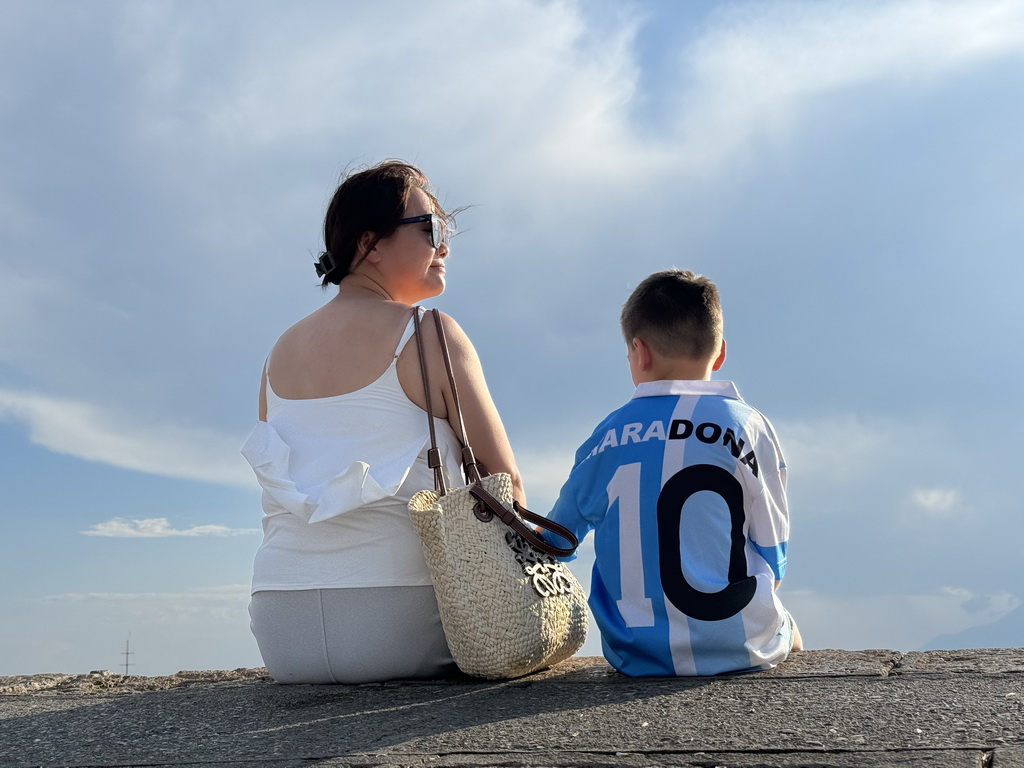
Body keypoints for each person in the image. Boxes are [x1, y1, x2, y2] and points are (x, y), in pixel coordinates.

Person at [241, 160, 523, 684]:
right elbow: (504, 483)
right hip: (400, 623)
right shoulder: (430, 332)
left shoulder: (278, 352)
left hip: (282, 630)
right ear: (369, 244)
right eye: (432, 229)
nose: (445, 246)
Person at [543, 269, 802, 677]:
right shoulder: (748, 426)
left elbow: (557, 539)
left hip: (636, 655)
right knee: (790, 628)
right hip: (742, 646)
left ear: (639, 352)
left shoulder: (606, 436)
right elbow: (773, 554)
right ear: (719, 354)